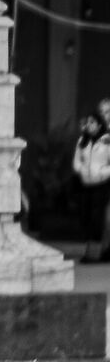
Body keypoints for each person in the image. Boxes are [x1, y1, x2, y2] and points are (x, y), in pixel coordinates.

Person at [71, 97, 110, 263]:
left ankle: (100, 252)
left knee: (102, 218)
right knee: (90, 217)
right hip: (88, 183)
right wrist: (82, 171)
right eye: (102, 111)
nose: (105, 114)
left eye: (107, 111)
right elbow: (77, 160)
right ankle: (98, 251)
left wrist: (102, 173)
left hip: (104, 182)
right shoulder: (84, 139)